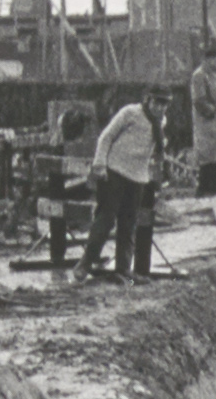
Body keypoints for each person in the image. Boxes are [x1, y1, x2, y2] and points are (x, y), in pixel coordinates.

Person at [73, 86, 170, 281]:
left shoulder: (161, 122)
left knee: (129, 223)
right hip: (114, 172)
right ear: (148, 100)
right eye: (157, 102)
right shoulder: (130, 113)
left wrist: (161, 152)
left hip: (137, 178)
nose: (160, 108)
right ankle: (85, 264)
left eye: (164, 104)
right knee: (105, 219)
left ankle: (123, 269)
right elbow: (106, 137)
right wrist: (99, 164)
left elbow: (154, 146)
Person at [190, 40, 216, 198]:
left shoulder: (214, 76)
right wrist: (213, 112)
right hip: (207, 126)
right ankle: (203, 192)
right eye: (215, 60)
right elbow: (199, 100)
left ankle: (212, 190)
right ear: (207, 60)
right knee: (207, 160)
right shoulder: (199, 76)